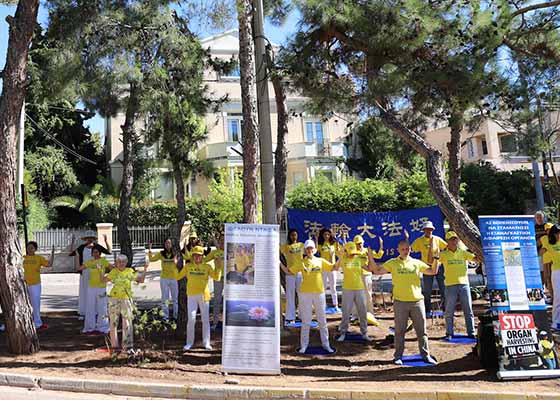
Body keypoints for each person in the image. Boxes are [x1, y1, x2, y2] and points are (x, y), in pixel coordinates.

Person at [367, 239, 440, 365]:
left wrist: (436, 259)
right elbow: (377, 271)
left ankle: (425, 355)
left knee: (421, 331)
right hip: (400, 302)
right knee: (399, 331)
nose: (405, 251)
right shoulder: (393, 263)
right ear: (398, 250)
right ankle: (398, 356)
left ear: (410, 249)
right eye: (403, 249)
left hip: (417, 301)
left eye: (407, 249)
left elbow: (432, 271)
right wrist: (370, 257)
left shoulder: (416, 263)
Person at [282, 239, 335, 354]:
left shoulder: (320, 261)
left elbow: (333, 267)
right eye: (307, 248)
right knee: (306, 321)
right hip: (305, 294)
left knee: (322, 320)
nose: (310, 250)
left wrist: (339, 256)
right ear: (305, 250)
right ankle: (304, 346)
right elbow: (288, 272)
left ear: (314, 249)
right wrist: (279, 263)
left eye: (311, 248)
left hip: (319, 293)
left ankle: (326, 345)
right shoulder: (301, 262)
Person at [177, 245, 221, 351]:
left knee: (205, 320)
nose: (197, 257)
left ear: (202, 256)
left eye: (199, 255)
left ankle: (206, 343)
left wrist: (218, 267)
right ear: (192, 256)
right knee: (191, 319)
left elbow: (217, 277)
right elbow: (178, 277)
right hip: (191, 296)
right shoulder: (188, 267)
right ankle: (189, 343)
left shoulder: (207, 267)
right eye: (195, 255)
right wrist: (175, 266)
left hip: (204, 296)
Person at [102, 254, 148, 352]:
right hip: (114, 298)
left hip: (126, 298)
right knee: (113, 322)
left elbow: (141, 280)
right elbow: (104, 280)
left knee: (127, 321)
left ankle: (127, 345)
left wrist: (145, 269)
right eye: (119, 262)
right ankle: (114, 345)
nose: (121, 264)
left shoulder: (129, 271)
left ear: (126, 263)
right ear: (116, 263)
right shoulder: (114, 271)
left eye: (123, 262)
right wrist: (100, 271)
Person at [439, 231, 479, 339]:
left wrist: (478, 249)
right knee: (449, 310)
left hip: (464, 284)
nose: (454, 241)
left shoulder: (463, 252)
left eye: (455, 239)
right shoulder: (443, 254)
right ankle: (449, 332)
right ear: (447, 241)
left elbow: (476, 259)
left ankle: (471, 333)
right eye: (451, 239)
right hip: (450, 285)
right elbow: (432, 262)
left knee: (468, 310)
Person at [334, 241, 372, 342]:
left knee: (362, 311)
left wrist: (370, 257)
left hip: (359, 288)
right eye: (350, 252)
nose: (352, 254)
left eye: (353, 252)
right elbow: (336, 268)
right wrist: (340, 256)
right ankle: (343, 332)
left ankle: (364, 333)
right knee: (346, 312)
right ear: (346, 251)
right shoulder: (343, 259)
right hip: (347, 288)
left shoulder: (359, 259)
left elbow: (369, 268)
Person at [69, 231, 111, 319]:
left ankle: (96, 311)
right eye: (88, 238)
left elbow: (108, 251)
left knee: (96, 290)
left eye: (91, 238)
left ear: (93, 239)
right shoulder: (82, 247)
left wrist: (106, 241)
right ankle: (84, 311)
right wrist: (72, 242)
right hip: (84, 271)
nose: (89, 240)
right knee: (85, 290)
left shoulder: (97, 247)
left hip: (96, 272)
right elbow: (71, 253)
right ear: (85, 239)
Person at [409, 221, 447, 317]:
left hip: (438, 265)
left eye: (430, 229)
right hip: (426, 266)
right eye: (427, 229)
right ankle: (428, 310)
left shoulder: (437, 239)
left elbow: (446, 248)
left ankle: (445, 310)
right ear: (424, 230)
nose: (428, 231)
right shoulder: (420, 240)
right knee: (427, 290)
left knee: (443, 288)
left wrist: (441, 258)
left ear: (432, 230)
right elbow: (411, 249)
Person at [77, 247, 111, 334]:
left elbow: (113, 268)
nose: (95, 254)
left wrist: (107, 277)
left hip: (101, 287)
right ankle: (89, 327)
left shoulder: (103, 261)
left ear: (100, 253)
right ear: (92, 254)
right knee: (90, 307)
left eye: (97, 252)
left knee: (102, 307)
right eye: (94, 252)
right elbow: (79, 268)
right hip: (91, 287)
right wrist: (78, 258)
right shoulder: (90, 262)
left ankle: (103, 326)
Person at [352, 235, 383, 324]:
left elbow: (378, 255)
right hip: (356, 276)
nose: (359, 245)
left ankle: (370, 313)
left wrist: (381, 245)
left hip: (366, 275)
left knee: (368, 294)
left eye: (360, 243)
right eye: (357, 244)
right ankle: (355, 315)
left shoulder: (367, 251)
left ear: (363, 243)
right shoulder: (352, 252)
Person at [23, 241, 54, 331]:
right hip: (24, 284)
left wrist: (52, 254)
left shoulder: (39, 258)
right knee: (25, 304)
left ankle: (37, 324)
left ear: (35, 249)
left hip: (35, 284)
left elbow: (49, 264)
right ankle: (27, 323)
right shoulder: (23, 258)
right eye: (28, 247)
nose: (30, 249)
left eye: (32, 248)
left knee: (35, 304)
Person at [148, 239, 178, 320]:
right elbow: (151, 259)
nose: (168, 244)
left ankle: (176, 316)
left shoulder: (175, 253)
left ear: (172, 244)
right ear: (164, 244)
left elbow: (186, 256)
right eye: (166, 243)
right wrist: (150, 249)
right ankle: (165, 316)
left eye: (169, 243)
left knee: (175, 299)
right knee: (165, 299)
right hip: (164, 278)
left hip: (174, 278)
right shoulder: (161, 253)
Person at [280, 229, 304, 323]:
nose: (294, 237)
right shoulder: (286, 247)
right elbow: (276, 249)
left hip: (300, 273)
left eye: (295, 235)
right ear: (289, 236)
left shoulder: (301, 245)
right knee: (290, 295)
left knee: (301, 294)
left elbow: (311, 252)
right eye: (292, 235)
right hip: (289, 273)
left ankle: (302, 315)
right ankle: (290, 317)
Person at [204, 233, 225, 330]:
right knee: (217, 300)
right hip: (218, 278)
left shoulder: (231, 250)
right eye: (220, 241)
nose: (222, 242)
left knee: (228, 301)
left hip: (229, 279)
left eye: (224, 240)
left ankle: (227, 322)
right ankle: (215, 322)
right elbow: (203, 260)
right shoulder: (215, 252)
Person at [317, 228, 340, 311]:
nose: (326, 236)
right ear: (322, 236)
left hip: (332, 268)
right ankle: (323, 304)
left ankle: (335, 305)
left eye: (328, 234)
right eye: (325, 235)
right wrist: (316, 238)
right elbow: (316, 250)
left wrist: (336, 242)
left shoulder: (333, 244)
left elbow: (339, 251)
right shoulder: (320, 245)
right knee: (323, 287)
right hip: (323, 268)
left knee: (333, 287)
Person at [542, 224, 560, 330]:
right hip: (557, 272)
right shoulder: (547, 242)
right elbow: (540, 250)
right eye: (557, 233)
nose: (559, 235)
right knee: (558, 297)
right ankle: (556, 322)